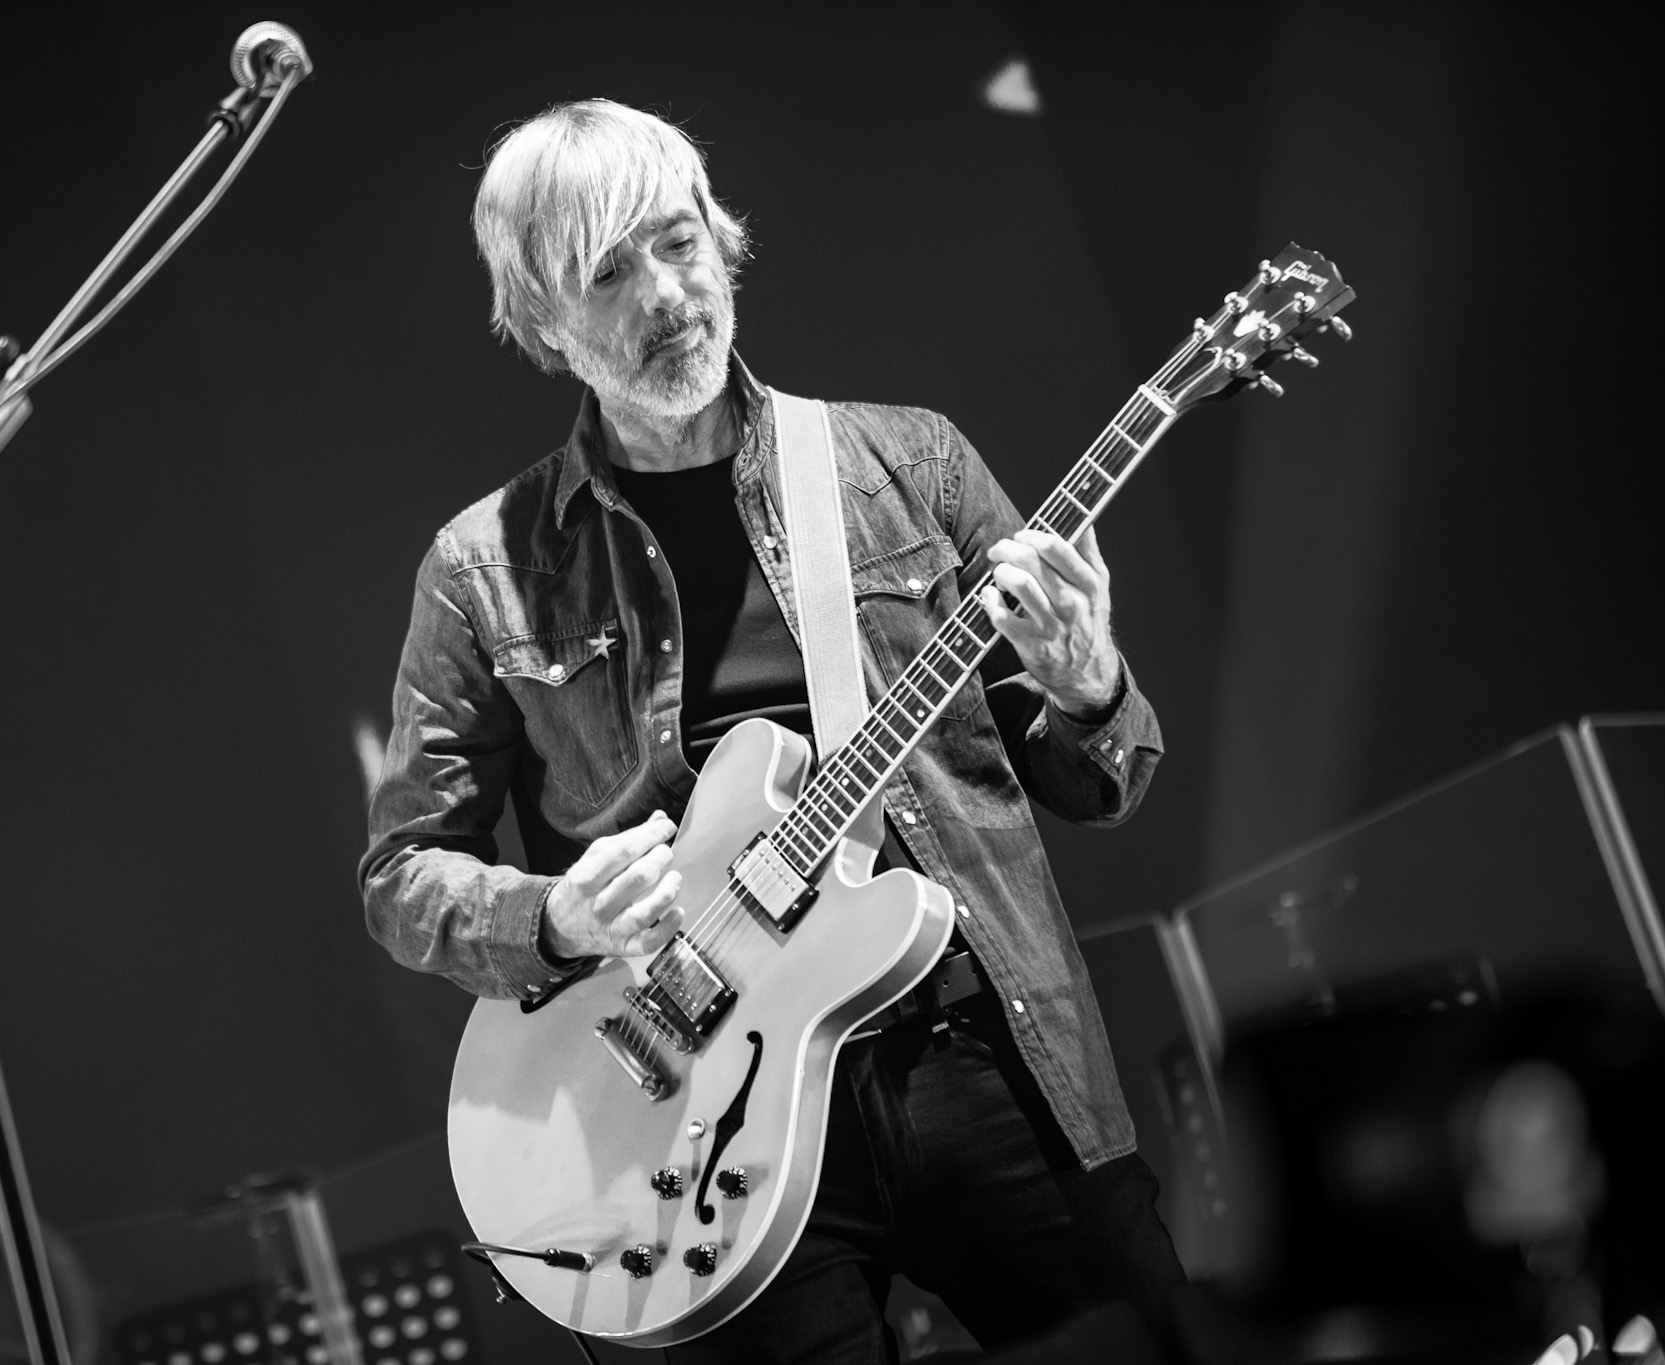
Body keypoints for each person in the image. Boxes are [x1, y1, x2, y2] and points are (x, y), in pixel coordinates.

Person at [360, 99, 1184, 1362]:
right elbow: (401, 877)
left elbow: (1096, 783)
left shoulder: (907, 464)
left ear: (722, 242)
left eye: (677, 242)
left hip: (979, 1048)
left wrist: (1084, 683)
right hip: (699, 1118)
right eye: (607, 272)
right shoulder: (485, 569)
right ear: (540, 322)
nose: (664, 293)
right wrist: (555, 917)